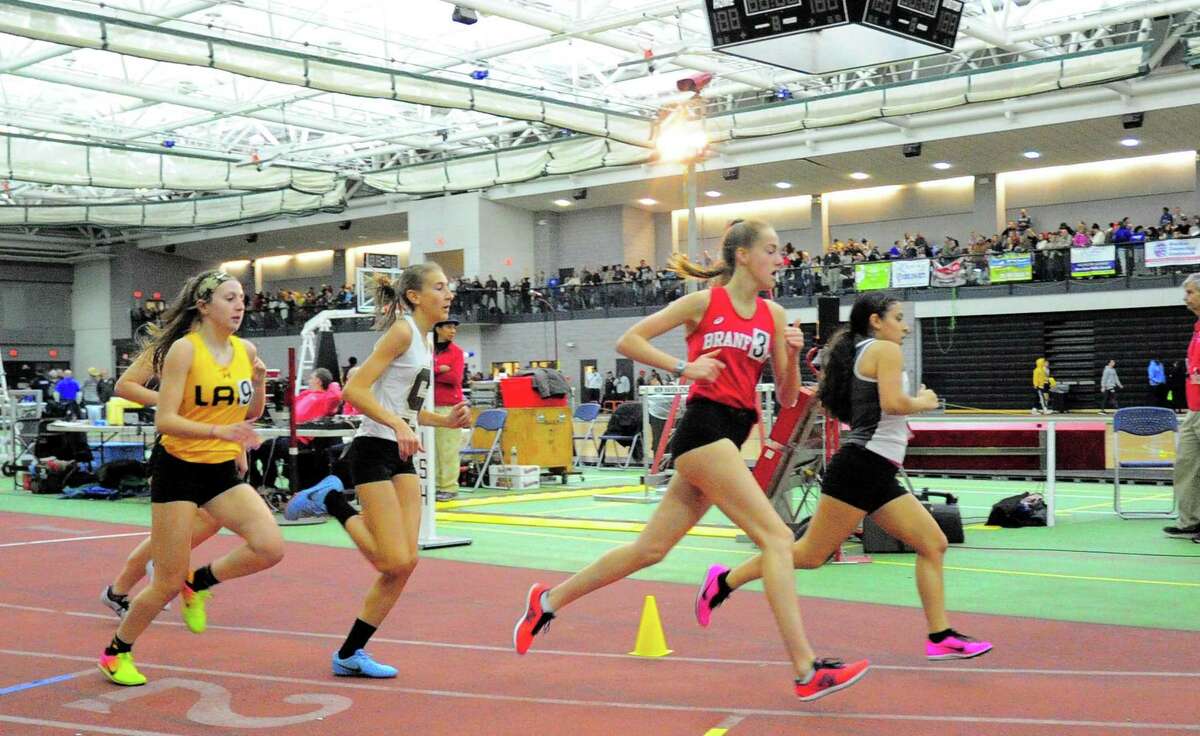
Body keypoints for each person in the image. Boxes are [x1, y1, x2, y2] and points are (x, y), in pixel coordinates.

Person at [512, 219, 869, 701]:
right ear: (742, 255)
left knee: (650, 550)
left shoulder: (774, 313)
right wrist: (685, 367)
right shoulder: (705, 303)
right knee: (778, 537)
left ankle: (547, 601)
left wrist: (791, 353)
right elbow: (630, 341)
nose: (779, 259)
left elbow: (786, 399)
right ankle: (807, 670)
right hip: (703, 429)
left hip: (733, 431)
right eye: (770, 249)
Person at [695, 292, 993, 664]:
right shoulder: (884, 351)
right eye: (898, 318)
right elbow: (893, 404)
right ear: (875, 320)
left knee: (932, 543)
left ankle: (940, 636)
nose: (904, 327)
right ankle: (723, 581)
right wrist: (925, 402)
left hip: (876, 469)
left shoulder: (865, 351)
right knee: (807, 555)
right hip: (862, 466)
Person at [284, 264, 471, 678]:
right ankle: (331, 497)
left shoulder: (423, 340)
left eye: (449, 287)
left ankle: (350, 653)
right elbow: (354, 390)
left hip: (400, 453)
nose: (449, 294)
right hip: (371, 450)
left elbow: (410, 408)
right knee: (392, 562)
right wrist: (400, 425)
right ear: (415, 296)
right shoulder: (403, 332)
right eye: (439, 287)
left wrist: (445, 422)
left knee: (404, 564)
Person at [98, 270, 282, 687]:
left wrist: (256, 383)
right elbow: (166, 418)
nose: (240, 305)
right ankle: (116, 653)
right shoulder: (183, 350)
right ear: (204, 305)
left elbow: (248, 414)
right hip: (178, 468)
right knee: (163, 580)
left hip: (219, 469)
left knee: (270, 547)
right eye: (229, 298)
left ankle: (198, 582)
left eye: (242, 298)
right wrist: (218, 430)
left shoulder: (245, 349)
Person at [100, 351, 223, 619]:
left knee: (209, 520)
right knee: (181, 528)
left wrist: (238, 449)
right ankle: (128, 585)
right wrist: (168, 401)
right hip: (174, 446)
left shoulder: (224, 348)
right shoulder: (173, 345)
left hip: (212, 446)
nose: (237, 309)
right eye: (229, 304)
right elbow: (124, 385)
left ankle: (118, 591)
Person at [248, 367, 341, 489]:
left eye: (311, 378)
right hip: (288, 435)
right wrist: (286, 387)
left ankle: (266, 483)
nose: (309, 381)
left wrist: (333, 383)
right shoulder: (306, 394)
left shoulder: (325, 399)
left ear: (318, 381)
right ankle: (262, 482)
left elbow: (336, 397)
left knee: (267, 448)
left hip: (300, 441)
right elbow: (289, 402)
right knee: (255, 450)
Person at [1164, 274, 1200, 540]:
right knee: (1186, 464)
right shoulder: (1197, 329)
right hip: (1194, 410)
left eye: (1190, 292)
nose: (1185, 298)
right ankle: (1191, 520)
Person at [432, 318, 466, 501]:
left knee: (448, 449)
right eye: (449, 327)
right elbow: (419, 372)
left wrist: (432, 372)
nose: (453, 330)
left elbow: (454, 378)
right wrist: (438, 369)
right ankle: (436, 485)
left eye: (454, 327)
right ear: (438, 329)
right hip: (429, 406)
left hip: (449, 407)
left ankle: (449, 487)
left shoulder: (457, 352)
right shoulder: (427, 349)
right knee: (433, 450)